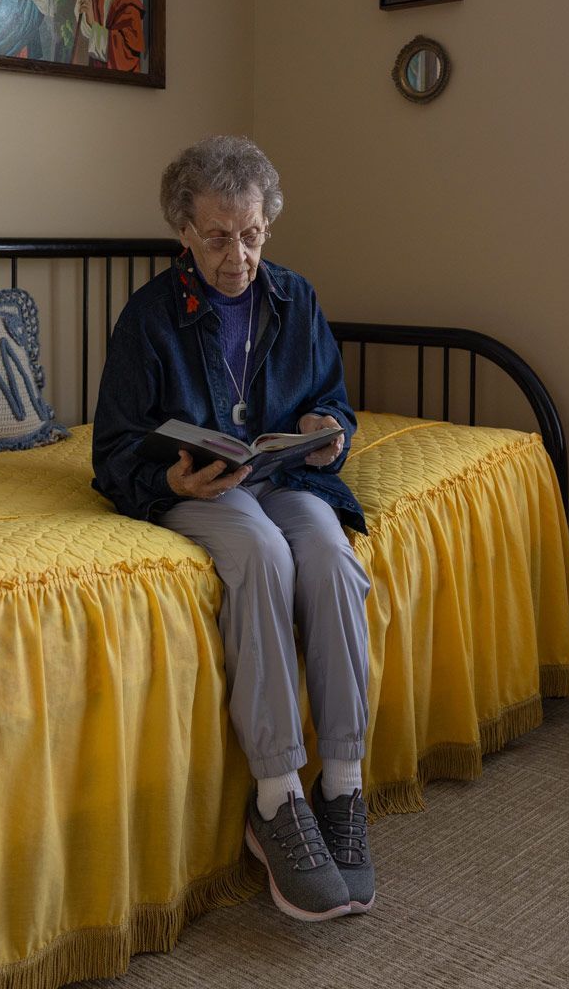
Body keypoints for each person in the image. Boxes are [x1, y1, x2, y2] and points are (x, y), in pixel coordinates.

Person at [92, 135, 374, 923]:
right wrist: (169, 478)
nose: (237, 254)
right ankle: (278, 797)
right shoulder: (149, 316)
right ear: (183, 229)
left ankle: (343, 785)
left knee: (325, 554)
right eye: (218, 236)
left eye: (251, 234)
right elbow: (113, 447)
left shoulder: (298, 300)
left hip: (285, 474)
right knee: (258, 552)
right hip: (202, 487)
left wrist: (331, 428)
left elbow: (334, 401)